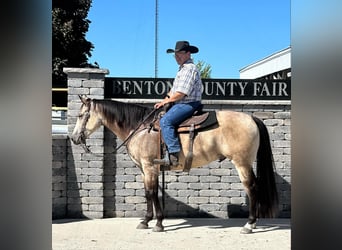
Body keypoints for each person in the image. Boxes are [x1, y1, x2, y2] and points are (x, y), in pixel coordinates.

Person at [154, 41, 202, 166]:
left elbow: (181, 93)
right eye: (175, 54)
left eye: (180, 53)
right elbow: (174, 90)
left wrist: (167, 101)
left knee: (165, 121)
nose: (177, 57)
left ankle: (174, 155)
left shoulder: (189, 69)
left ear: (188, 53)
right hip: (183, 103)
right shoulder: (181, 69)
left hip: (189, 103)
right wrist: (166, 98)